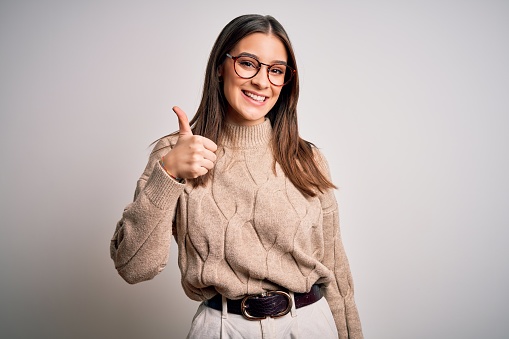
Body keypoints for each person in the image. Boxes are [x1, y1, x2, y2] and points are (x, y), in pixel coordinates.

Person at [110, 14, 363, 339]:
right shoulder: (175, 154)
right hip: (221, 329)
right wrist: (169, 173)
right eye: (248, 63)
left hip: (309, 326)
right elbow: (133, 267)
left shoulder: (307, 159)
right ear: (220, 66)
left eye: (276, 70)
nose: (261, 81)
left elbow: (336, 273)